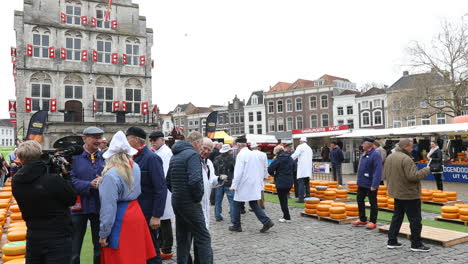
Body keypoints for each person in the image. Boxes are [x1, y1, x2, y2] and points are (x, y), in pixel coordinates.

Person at [13, 140, 77, 263]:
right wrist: (66, 176)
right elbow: (71, 198)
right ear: (40, 154)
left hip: (33, 234)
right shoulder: (52, 180)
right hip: (58, 236)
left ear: (20, 158)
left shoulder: (17, 180)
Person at [98, 131, 156, 263]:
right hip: (136, 213)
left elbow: (108, 209)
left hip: (120, 217)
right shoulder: (134, 166)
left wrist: (104, 234)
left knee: (120, 257)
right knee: (136, 256)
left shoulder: (110, 175)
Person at [166, 131, 213, 264]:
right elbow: (195, 180)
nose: (201, 148)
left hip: (177, 201)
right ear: (197, 143)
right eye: (201, 145)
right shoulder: (192, 155)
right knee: (203, 236)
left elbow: (168, 181)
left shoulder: (175, 156)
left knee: (182, 238)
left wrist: (177, 192)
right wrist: (197, 197)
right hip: (190, 202)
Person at [126, 127, 167, 264]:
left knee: (151, 250)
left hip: (148, 213)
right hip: (135, 212)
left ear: (136, 140)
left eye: (128, 139)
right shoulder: (130, 156)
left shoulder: (151, 158)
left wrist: (156, 215)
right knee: (139, 249)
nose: (126, 142)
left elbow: (161, 188)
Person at [384, 138, 431, 252]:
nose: (412, 148)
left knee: (397, 217)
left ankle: (392, 241)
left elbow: (385, 174)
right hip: (409, 194)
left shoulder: (390, 157)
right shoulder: (406, 159)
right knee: (415, 220)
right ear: (406, 146)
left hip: (396, 192)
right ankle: (416, 244)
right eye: (411, 146)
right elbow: (413, 177)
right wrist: (426, 170)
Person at [71, 126, 106, 264]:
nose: (98, 141)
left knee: (99, 246)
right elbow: (70, 180)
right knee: (74, 246)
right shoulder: (74, 157)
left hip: (98, 206)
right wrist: (88, 185)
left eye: (99, 138)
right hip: (79, 207)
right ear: (84, 138)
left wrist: (104, 180)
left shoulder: (104, 157)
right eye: (94, 138)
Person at [229, 137, 274, 233]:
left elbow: (238, 172)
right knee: (253, 203)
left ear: (238, 145)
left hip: (244, 183)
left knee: (236, 203)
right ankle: (266, 221)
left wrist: (234, 185)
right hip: (253, 183)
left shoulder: (241, 155)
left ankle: (237, 225)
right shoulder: (252, 154)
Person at [149, 131, 174, 259]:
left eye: (155, 140)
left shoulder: (165, 153)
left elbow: (163, 174)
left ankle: (167, 248)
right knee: (163, 220)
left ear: (162, 140)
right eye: (151, 140)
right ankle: (161, 244)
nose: (153, 142)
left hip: (164, 190)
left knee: (165, 220)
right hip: (162, 190)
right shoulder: (159, 152)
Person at [352, 137, 382, 230]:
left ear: (368, 144)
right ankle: (362, 219)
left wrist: (375, 184)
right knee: (359, 200)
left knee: (373, 202)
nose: (362, 145)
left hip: (371, 183)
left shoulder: (375, 155)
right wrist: (358, 181)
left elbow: (378, 170)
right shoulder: (363, 154)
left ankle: (373, 221)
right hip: (362, 183)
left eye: (363, 143)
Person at [268, 145, 295, 223]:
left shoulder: (278, 159)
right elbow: (294, 167)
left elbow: (270, 169)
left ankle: (287, 217)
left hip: (281, 181)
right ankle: (286, 216)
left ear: (276, 152)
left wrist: (275, 175)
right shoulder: (290, 158)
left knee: (282, 199)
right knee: (285, 198)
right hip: (289, 181)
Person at [213, 144, 236, 222]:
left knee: (218, 200)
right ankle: (233, 218)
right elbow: (235, 170)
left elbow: (214, 169)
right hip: (229, 182)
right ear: (228, 150)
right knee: (232, 201)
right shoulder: (232, 159)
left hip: (219, 181)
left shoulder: (217, 158)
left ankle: (217, 216)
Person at [291, 137, 313, 203]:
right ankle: (308, 195)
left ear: (301, 141)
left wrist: (289, 159)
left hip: (302, 167)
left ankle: (301, 198)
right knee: (307, 182)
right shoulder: (309, 148)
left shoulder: (300, 147)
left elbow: (295, 155)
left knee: (300, 182)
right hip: (308, 168)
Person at [251, 142, 268, 209]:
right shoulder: (263, 154)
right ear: (257, 147)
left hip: (252, 174)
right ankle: (261, 204)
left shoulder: (250, 154)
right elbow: (266, 166)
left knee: (253, 190)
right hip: (261, 174)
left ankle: (255, 205)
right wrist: (265, 175)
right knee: (261, 189)